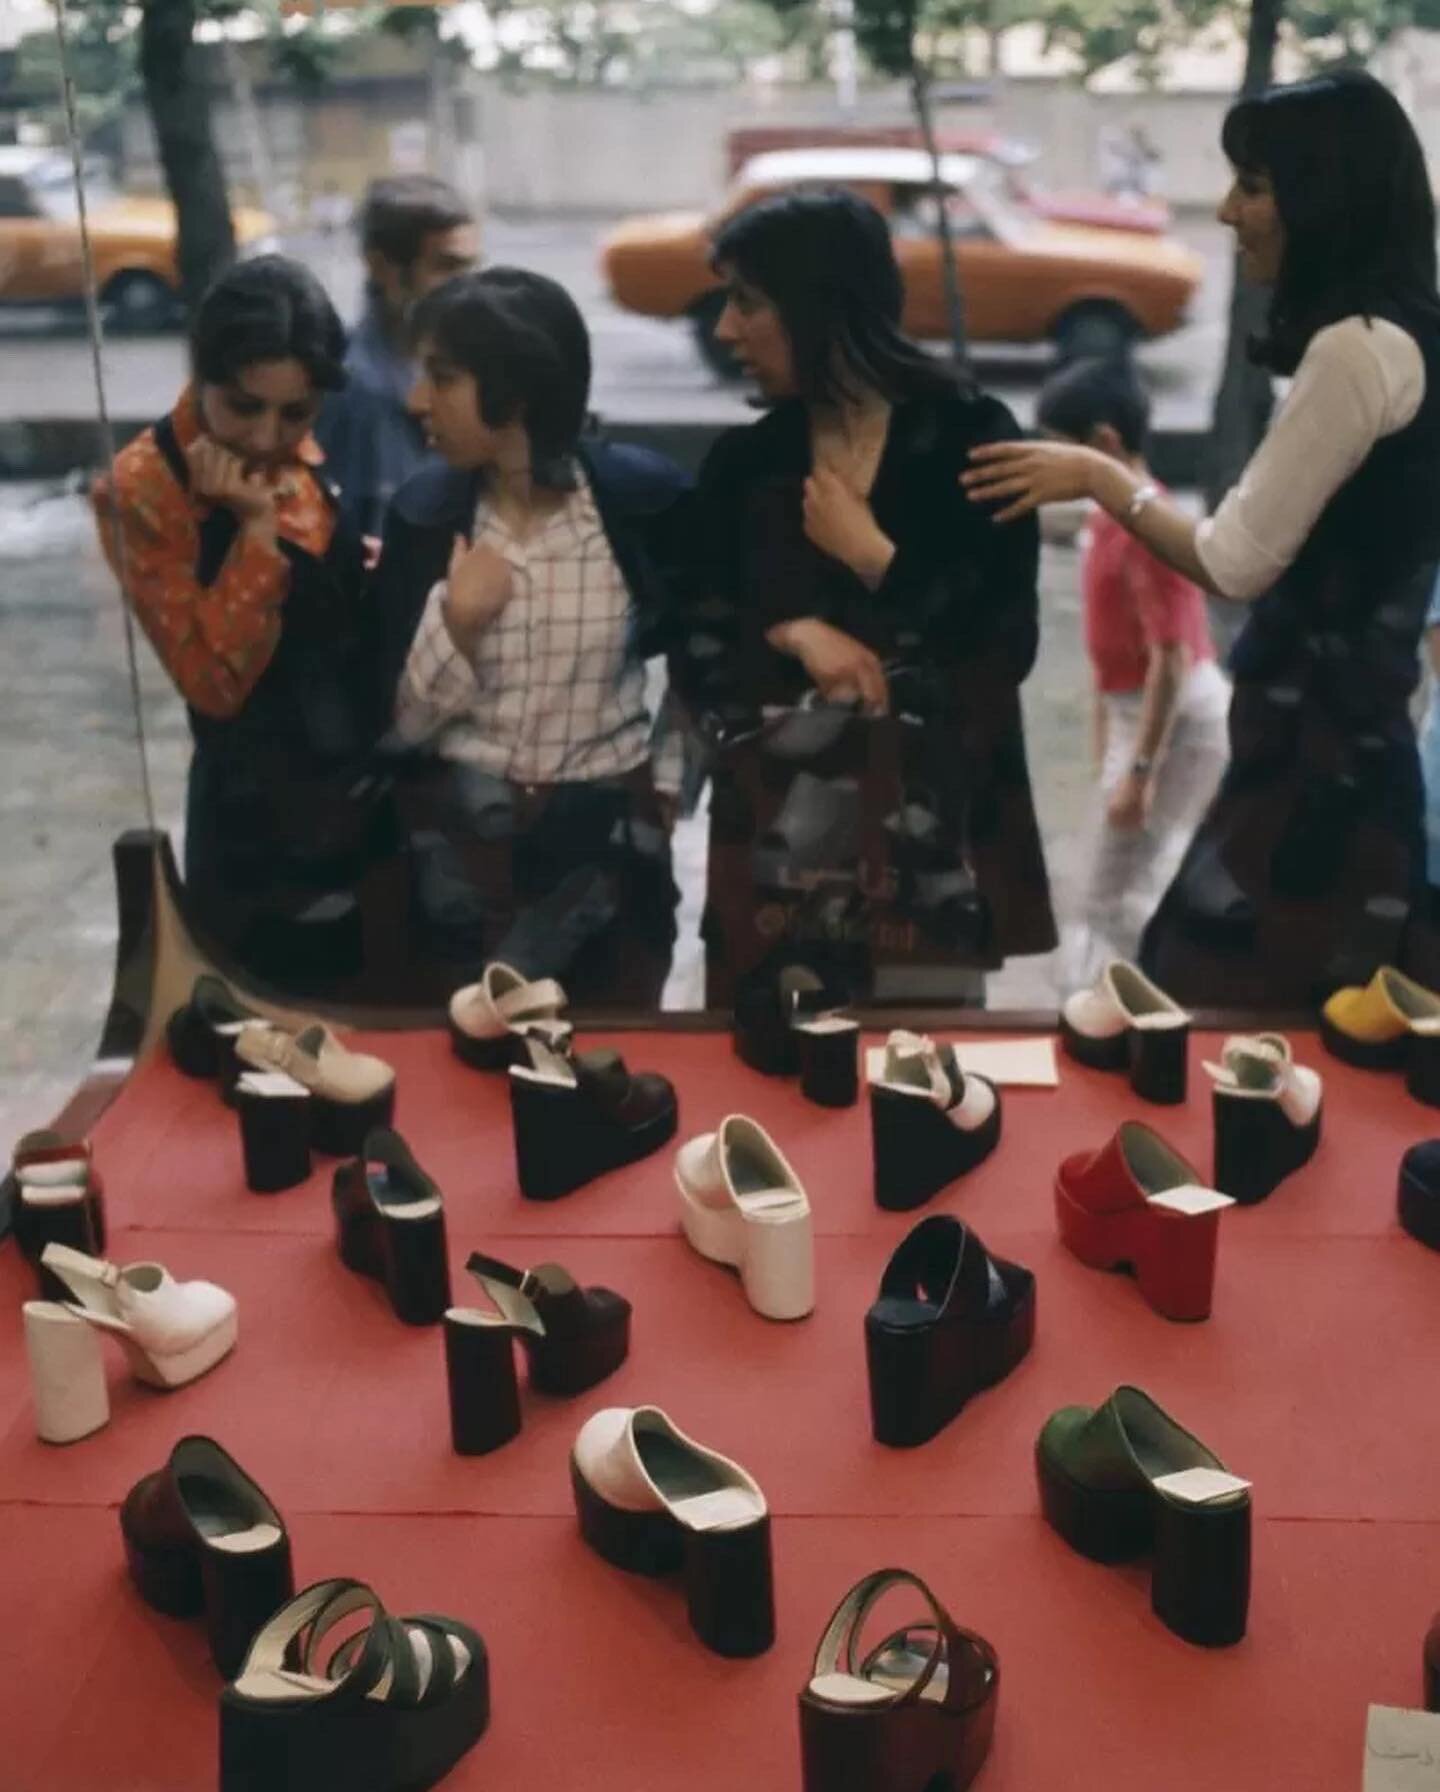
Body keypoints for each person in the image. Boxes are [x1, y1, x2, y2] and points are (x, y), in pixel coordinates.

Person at [964, 69, 1440, 1008]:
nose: (1226, 212)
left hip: (1311, 758)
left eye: (1253, 186)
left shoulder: (1354, 351)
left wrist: (1107, 483)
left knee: (1198, 997)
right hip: (1358, 740)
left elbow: (1232, 560)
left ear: (1322, 196)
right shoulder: (1418, 334)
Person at [672, 186, 1055, 1003]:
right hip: (772, 851)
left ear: (820, 304)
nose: (724, 329)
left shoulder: (972, 438)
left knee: (915, 1087)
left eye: (747, 302)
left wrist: (880, 558)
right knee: (759, 1094)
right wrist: (791, 631)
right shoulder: (747, 464)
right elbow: (692, 637)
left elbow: (1004, 647)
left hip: (926, 856)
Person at [370, 266, 690, 1005]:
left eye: (443, 379)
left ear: (513, 395)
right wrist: (458, 621)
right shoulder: (425, 518)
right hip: (463, 861)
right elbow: (400, 726)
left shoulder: (639, 504)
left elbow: (705, 655)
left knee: (604, 1068)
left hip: (607, 858)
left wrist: (663, 788)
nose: (418, 400)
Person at [93, 255, 384, 976]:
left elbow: (330, 574)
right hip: (259, 823)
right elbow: (214, 683)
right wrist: (255, 532)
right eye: (244, 407)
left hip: (363, 792)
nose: (265, 437)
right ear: (202, 373)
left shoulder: (298, 445)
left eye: (297, 413)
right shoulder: (145, 486)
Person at [1035, 356, 1229, 980]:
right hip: (1136, 710)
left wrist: (1140, 771)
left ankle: (1118, 1007)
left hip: (1172, 719)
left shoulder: (1148, 528)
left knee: (1114, 889)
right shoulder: (1111, 517)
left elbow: (1169, 660)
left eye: (1056, 450)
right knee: (1111, 880)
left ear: (1103, 445)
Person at [315, 175, 480, 540]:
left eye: (471, 267)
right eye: (447, 267)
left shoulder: (468, 369)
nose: (469, 287)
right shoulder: (353, 390)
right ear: (382, 267)